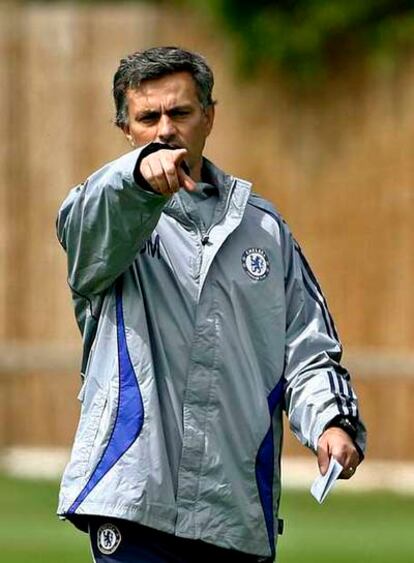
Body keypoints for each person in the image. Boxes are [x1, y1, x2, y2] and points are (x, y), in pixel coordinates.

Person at [56, 46, 366, 563]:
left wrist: (331, 420)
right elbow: (86, 218)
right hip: (134, 501)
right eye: (147, 117)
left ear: (209, 117)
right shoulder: (104, 217)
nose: (164, 130)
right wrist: (136, 179)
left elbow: (308, 350)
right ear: (125, 130)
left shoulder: (265, 231)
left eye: (180, 112)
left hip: (234, 511)